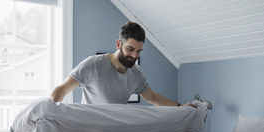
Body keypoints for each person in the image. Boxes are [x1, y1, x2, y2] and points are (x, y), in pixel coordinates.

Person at [51, 21, 193, 107]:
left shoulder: (136, 73)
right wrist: (50, 113)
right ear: (119, 44)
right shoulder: (93, 65)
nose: (134, 56)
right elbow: (61, 90)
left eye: (139, 51)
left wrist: (181, 106)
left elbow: (152, 97)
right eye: (130, 49)